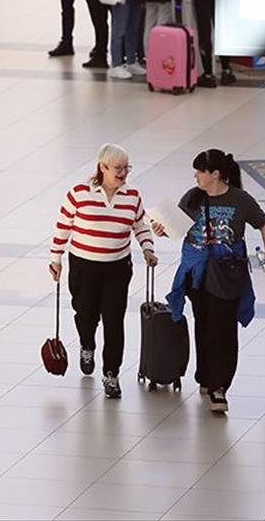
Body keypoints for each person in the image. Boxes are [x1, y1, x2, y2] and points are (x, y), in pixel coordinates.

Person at [166, 149, 265, 414]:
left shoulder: (240, 200)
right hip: (197, 273)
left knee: (223, 328)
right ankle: (205, 375)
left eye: (200, 171)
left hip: (227, 273)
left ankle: (219, 386)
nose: (196, 176)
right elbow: (176, 228)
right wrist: (162, 229)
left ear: (215, 174)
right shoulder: (192, 199)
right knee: (203, 324)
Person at [48, 143, 162, 399]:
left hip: (117, 268)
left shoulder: (132, 196)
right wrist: (55, 259)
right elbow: (62, 227)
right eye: (118, 168)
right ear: (103, 167)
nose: (123, 173)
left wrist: (147, 248)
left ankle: (112, 374)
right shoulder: (79, 193)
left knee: (114, 322)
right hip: (83, 266)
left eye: (126, 168)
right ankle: (87, 344)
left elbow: (140, 225)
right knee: (85, 315)